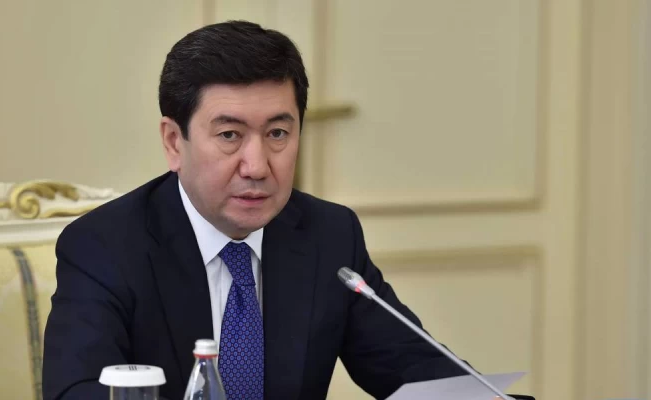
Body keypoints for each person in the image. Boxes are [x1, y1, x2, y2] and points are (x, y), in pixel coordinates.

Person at [42, 20, 467, 400]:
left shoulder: (330, 235)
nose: (257, 166)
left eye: (278, 133)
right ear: (174, 142)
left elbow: (416, 369)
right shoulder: (104, 246)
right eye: (230, 135)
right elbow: (77, 390)